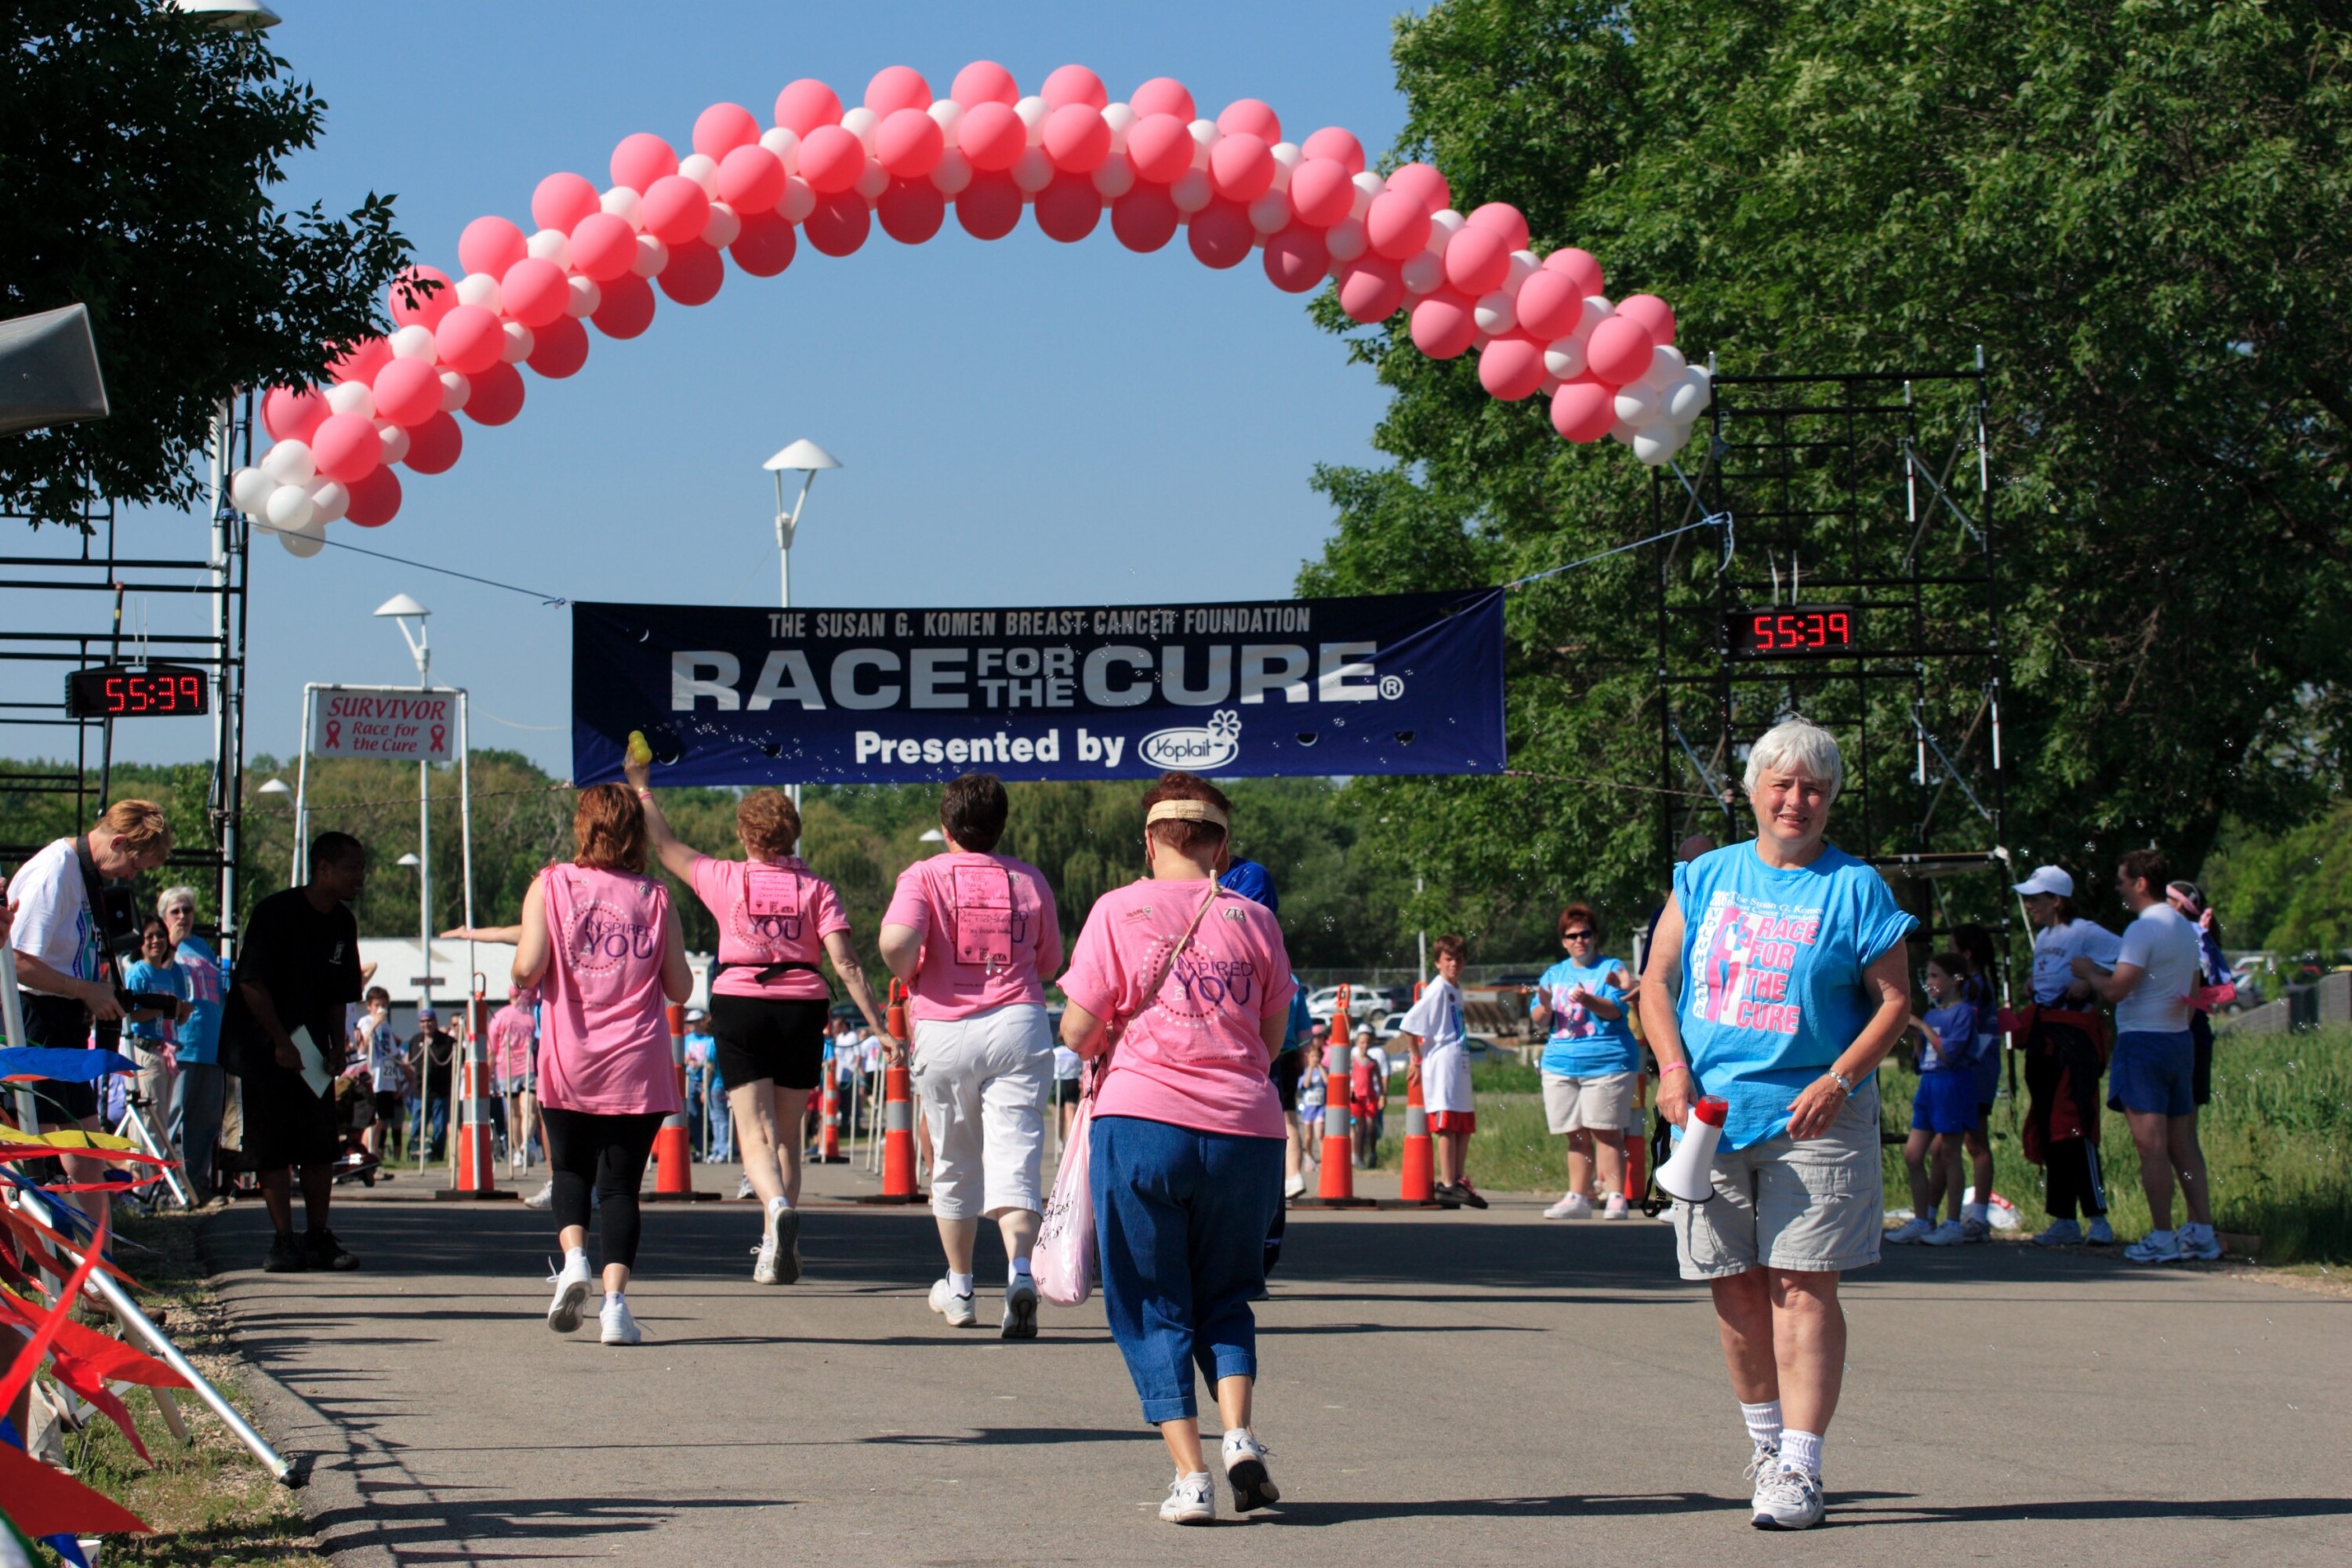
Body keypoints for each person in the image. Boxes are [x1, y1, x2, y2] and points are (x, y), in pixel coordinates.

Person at [1637, 717, 1916, 1532]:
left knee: (1802, 1282)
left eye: (1815, 787)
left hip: (1815, 1118)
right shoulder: (1704, 877)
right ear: (1753, 791)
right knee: (1733, 1285)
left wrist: (1841, 1076)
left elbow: (1895, 999)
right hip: (1712, 1119)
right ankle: (1762, 1447)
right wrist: (1673, 1069)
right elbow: (1657, 982)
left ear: (1830, 798)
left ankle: (1801, 1462)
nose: (1797, 799)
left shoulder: (1856, 886)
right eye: (1783, 783)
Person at [1058, 772, 1294, 1525]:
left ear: (1150, 839)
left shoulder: (1117, 910)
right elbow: (1271, 1038)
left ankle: (1191, 1478)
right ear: (1222, 843)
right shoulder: (1256, 921)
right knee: (1227, 1293)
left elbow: (1076, 1030)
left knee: (1152, 1300)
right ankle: (1242, 1436)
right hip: (1245, 1134)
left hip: (1142, 1125)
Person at [620, 752, 893, 1288]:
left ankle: (773, 1210)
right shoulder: (818, 889)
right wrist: (879, 1027)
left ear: (745, 836)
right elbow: (847, 962)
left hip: (741, 1000)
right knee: (788, 1133)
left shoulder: (725, 877)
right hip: (803, 1004)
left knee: (754, 1130)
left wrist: (642, 788)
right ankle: (774, 1245)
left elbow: (666, 847)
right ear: (792, 837)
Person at [878, 773, 1064, 1338]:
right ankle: (1021, 1271)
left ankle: (960, 1287)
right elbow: (1050, 962)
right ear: (1000, 825)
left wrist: (909, 969)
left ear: (946, 825)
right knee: (1018, 1156)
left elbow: (893, 942)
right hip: (1017, 1023)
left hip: (945, 1027)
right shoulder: (1028, 879)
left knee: (954, 1161)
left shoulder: (924, 875)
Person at [512, 784, 694, 1346]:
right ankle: (616, 1308)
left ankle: (573, 1264)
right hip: (636, 1063)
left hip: (570, 1058)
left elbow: (528, 966)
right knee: (620, 1190)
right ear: (636, 835)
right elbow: (681, 988)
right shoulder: (657, 898)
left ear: (583, 827)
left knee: (568, 1172)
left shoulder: (551, 885)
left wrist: (528, 976)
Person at [7, 800, 175, 1225]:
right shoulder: (56, 872)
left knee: (86, 1149)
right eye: (135, 865)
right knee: (44, 1150)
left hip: (62, 1017)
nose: (132, 877)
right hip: (36, 1019)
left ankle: (102, 1267)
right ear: (117, 842)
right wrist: (86, 990)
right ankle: (57, 1269)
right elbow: (18, 962)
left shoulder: (83, 873)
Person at [223, 831, 369, 1272]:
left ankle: (318, 1236)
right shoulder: (274, 913)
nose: (360, 878)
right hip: (263, 1044)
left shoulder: (343, 923)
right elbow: (251, 983)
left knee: (319, 1144)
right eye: (352, 869)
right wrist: (281, 1042)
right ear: (323, 869)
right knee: (272, 1146)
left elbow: (339, 992)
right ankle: (283, 1240)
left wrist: (338, 1044)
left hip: (312, 1053)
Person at [2071, 849, 2219, 1263]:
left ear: (2139, 883)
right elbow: (2192, 994)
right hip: (2179, 1039)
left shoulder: (2141, 929)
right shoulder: (2185, 929)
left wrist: (2088, 973)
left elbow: (2117, 989)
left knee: (2150, 1147)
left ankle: (2161, 1234)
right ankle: (2201, 1231)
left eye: (2121, 880)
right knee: (2185, 1143)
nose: (2117, 887)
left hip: (2143, 1042)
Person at [2013, 865, 2121, 1247]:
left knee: (2076, 1123)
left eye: (2036, 899)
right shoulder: (2044, 936)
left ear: (2057, 899)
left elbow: (2127, 955)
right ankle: (2063, 1217)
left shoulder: (2085, 931)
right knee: (2049, 1126)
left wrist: (2089, 978)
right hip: (2046, 1033)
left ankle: (2098, 1218)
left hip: (2074, 1037)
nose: (2029, 906)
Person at [1533, 903, 1641, 1220]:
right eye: (1572, 936)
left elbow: (1615, 1010)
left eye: (1585, 934)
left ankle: (1616, 1196)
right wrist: (1546, 1006)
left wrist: (1588, 1000)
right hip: (1560, 1063)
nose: (1580, 940)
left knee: (1605, 1130)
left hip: (1608, 1061)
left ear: (1595, 937)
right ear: (1564, 941)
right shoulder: (1554, 974)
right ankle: (1578, 1196)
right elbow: (1540, 1019)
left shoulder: (1611, 968)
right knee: (1574, 1133)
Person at [1888, 953, 1984, 1246]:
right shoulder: (1932, 1014)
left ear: (1955, 980)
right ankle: (1922, 1219)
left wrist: (1923, 1027)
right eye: (1927, 976)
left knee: (1949, 1153)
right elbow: (1924, 1059)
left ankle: (1952, 1222)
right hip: (1929, 1085)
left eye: (1935, 976)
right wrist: (1916, 1035)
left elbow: (1950, 1054)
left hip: (1952, 1084)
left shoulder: (1964, 1012)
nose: (1929, 983)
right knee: (1913, 1154)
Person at [157, 887, 228, 1203]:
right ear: (164, 916)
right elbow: (151, 979)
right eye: (176, 911)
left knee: (206, 1121)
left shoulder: (203, 948)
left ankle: (197, 1185)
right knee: (173, 1119)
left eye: (187, 910)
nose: (183, 916)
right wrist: (170, 944)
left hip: (211, 1047)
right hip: (180, 1045)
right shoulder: (158, 948)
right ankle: (165, 1189)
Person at [1401, 935, 1482, 1208]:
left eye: (1459, 959)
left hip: (1460, 1062)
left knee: (1463, 1123)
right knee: (1447, 1124)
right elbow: (1410, 1024)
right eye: (1448, 959)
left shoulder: (1455, 989)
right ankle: (1447, 1181)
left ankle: (1458, 1178)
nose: (1454, 964)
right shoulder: (1437, 989)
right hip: (1442, 1064)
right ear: (1438, 962)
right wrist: (1416, 1057)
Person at [1947, 923, 2004, 1239]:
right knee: (1951, 1144)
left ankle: (1978, 1215)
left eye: (1952, 950)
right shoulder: (1975, 985)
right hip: (1969, 1070)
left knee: (1975, 1142)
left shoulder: (1974, 987)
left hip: (1975, 1072)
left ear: (1966, 954)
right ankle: (1942, 1215)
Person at [120, 913, 194, 1134]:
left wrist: (183, 1011)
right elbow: (130, 1016)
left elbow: (179, 1017)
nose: (156, 941)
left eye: (161, 935)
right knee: (147, 1119)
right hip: (145, 1051)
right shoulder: (137, 973)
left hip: (167, 1054)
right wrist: (162, 1008)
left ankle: (155, 1167)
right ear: (139, 942)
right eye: (149, 936)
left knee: (161, 1121)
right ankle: (139, 1167)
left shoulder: (172, 973)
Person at [2167, 880, 2234, 1110]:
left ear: (2177, 906)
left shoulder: (2182, 937)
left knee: (2175, 1122)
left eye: (2166, 899)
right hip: (2198, 1031)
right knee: (2187, 1122)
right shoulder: (2201, 936)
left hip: (2181, 1029)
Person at [353, 988, 405, 1166]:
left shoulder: (387, 1027)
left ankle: (374, 1157)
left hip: (386, 1079)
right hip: (372, 1077)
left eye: (383, 1005)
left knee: (381, 1121)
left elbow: (393, 1055)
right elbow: (362, 1048)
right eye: (377, 1005)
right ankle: (367, 1155)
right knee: (371, 1121)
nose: (380, 1009)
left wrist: (397, 1080)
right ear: (369, 1006)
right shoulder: (365, 1022)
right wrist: (374, 1024)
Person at [489, 985, 539, 1171]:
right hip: (519, 1066)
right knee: (527, 1110)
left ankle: (522, 1148)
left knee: (516, 1112)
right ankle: (523, 1146)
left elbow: (491, 1048)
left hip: (512, 1067)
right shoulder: (531, 1015)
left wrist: (489, 1072)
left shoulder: (499, 1016)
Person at [408, 1007, 456, 1162]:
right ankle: (414, 1155)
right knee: (416, 1126)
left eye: (429, 1021)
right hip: (420, 1092)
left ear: (435, 1022)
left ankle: (437, 1156)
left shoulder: (447, 1041)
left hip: (440, 1093)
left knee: (440, 1128)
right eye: (423, 1021)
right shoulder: (415, 1041)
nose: (426, 1024)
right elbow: (411, 1064)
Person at [1348, 1025, 1386, 1167]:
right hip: (1356, 1098)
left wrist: (1382, 1095)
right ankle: (1358, 1157)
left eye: (1367, 1042)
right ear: (1357, 1043)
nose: (1364, 1045)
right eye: (1362, 1042)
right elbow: (1349, 1080)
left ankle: (1372, 1152)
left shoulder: (1373, 1062)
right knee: (1359, 1128)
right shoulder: (1353, 1061)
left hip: (1370, 1097)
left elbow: (1379, 1080)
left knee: (1371, 1127)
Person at [680, 1007, 715, 1155]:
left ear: (701, 1022)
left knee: (710, 1116)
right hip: (690, 1081)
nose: (690, 1025)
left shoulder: (710, 1040)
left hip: (707, 1080)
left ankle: (707, 1148)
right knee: (692, 1115)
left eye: (693, 1022)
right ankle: (699, 1147)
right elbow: (680, 1056)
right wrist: (686, 1059)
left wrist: (698, 1065)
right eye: (689, 1022)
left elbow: (710, 1062)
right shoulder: (687, 1039)